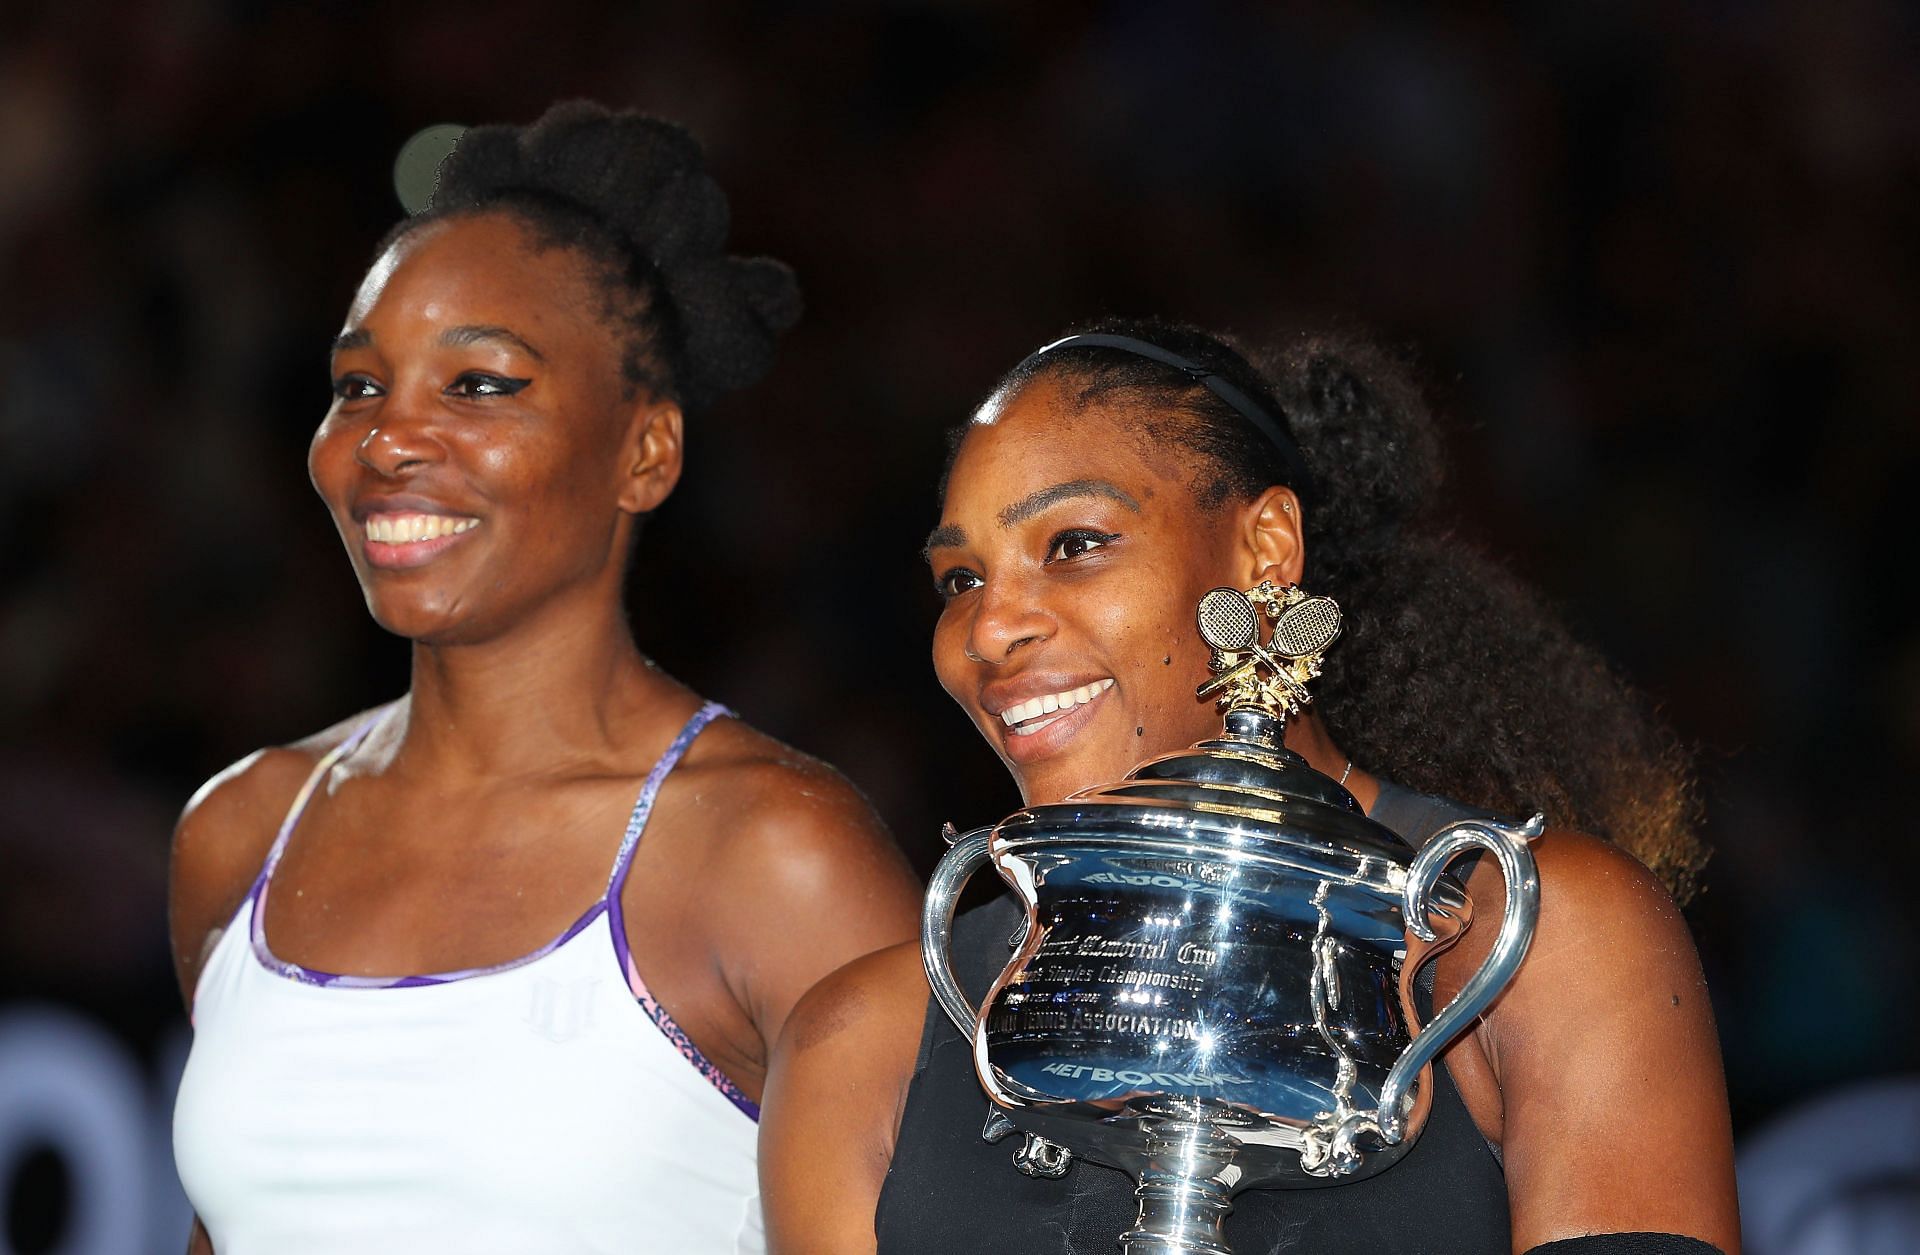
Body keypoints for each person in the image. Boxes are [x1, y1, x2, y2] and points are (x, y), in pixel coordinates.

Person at [760, 320, 1740, 1253]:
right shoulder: (862, 1043)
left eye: (1074, 544)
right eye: (960, 581)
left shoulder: (1530, 938)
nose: (986, 632)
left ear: (1265, 548)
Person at [168, 103, 921, 1254]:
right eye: (360, 385)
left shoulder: (773, 855)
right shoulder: (240, 831)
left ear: (645, 453)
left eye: (479, 386)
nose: (387, 440)